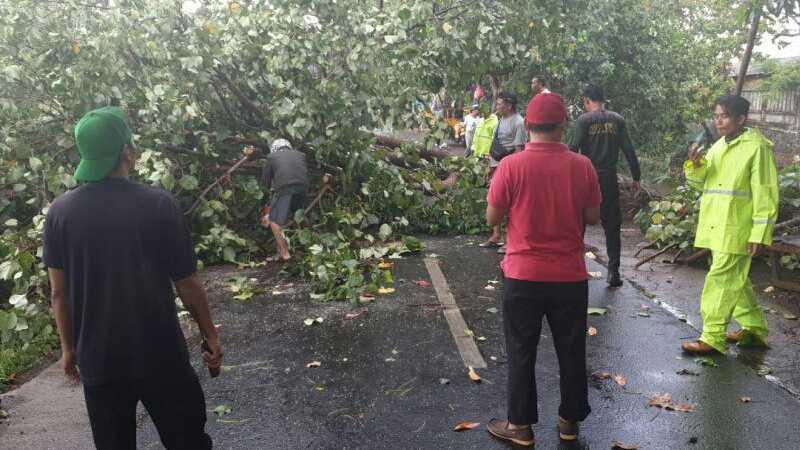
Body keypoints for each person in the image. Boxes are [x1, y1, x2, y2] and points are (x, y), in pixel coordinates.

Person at [44, 106, 222, 450]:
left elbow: (58, 294)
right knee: (188, 442)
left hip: (100, 360)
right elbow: (187, 283)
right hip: (160, 355)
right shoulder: (159, 204)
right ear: (127, 151)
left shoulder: (60, 213)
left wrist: (69, 349)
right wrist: (210, 336)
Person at [485, 93, 600, 446]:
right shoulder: (582, 166)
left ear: (529, 125)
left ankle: (520, 426)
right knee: (571, 349)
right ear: (564, 125)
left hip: (523, 276)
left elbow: (492, 217)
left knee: (521, 349)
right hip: (569, 276)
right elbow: (593, 218)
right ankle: (569, 422)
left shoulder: (511, 166)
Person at [681, 95, 779, 355]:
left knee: (721, 280)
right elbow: (702, 182)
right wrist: (696, 164)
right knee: (736, 279)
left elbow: (766, 194)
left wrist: (760, 233)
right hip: (717, 227)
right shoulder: (720, 146)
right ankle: (754, 329)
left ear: (741, 119)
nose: (719, 121)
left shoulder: (757, 147)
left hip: (738, 229)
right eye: (716, 116)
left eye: (724, 116)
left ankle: (712, 337)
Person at [570, 83, 641, 287]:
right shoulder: (617, 120)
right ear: (603, 99)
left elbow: (573, 149)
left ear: (586, 100)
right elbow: (629, 150)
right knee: (612, 226)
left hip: (587, 177)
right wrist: (636, 175)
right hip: (609, 178)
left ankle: (577, 268)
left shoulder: (584, 121)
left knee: (578, 223)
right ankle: (614, 272)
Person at [480, 91, 527, 252]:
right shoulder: (501, 119)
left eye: (499, 104)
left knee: (510, 205)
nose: (497, 106)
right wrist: (490, 166)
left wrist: (504, 168)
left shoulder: (519, 122)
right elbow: (496, 144)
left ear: (509, 105)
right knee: (495, 201)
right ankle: (495, 236)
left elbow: (519, 150)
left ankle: (510, 241)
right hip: (495, 165)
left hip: (508, 169)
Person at [261, 138, 309, 261]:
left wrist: (267, 203)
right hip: (303, 187)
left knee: (274, 221)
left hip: (285, 188)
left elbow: (265, 182)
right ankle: (308, 247)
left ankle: (285, 253)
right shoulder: (301, 155)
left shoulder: (271, 157)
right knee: (298, 215)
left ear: (274, 149)